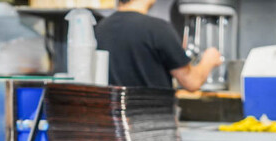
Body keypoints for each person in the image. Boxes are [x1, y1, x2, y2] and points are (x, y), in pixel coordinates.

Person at [94, 0, 222, 92]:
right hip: (153, 117)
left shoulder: (100, 27)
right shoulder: (158, 29)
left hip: (113, 117)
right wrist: (208, 61)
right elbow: (191, 82)